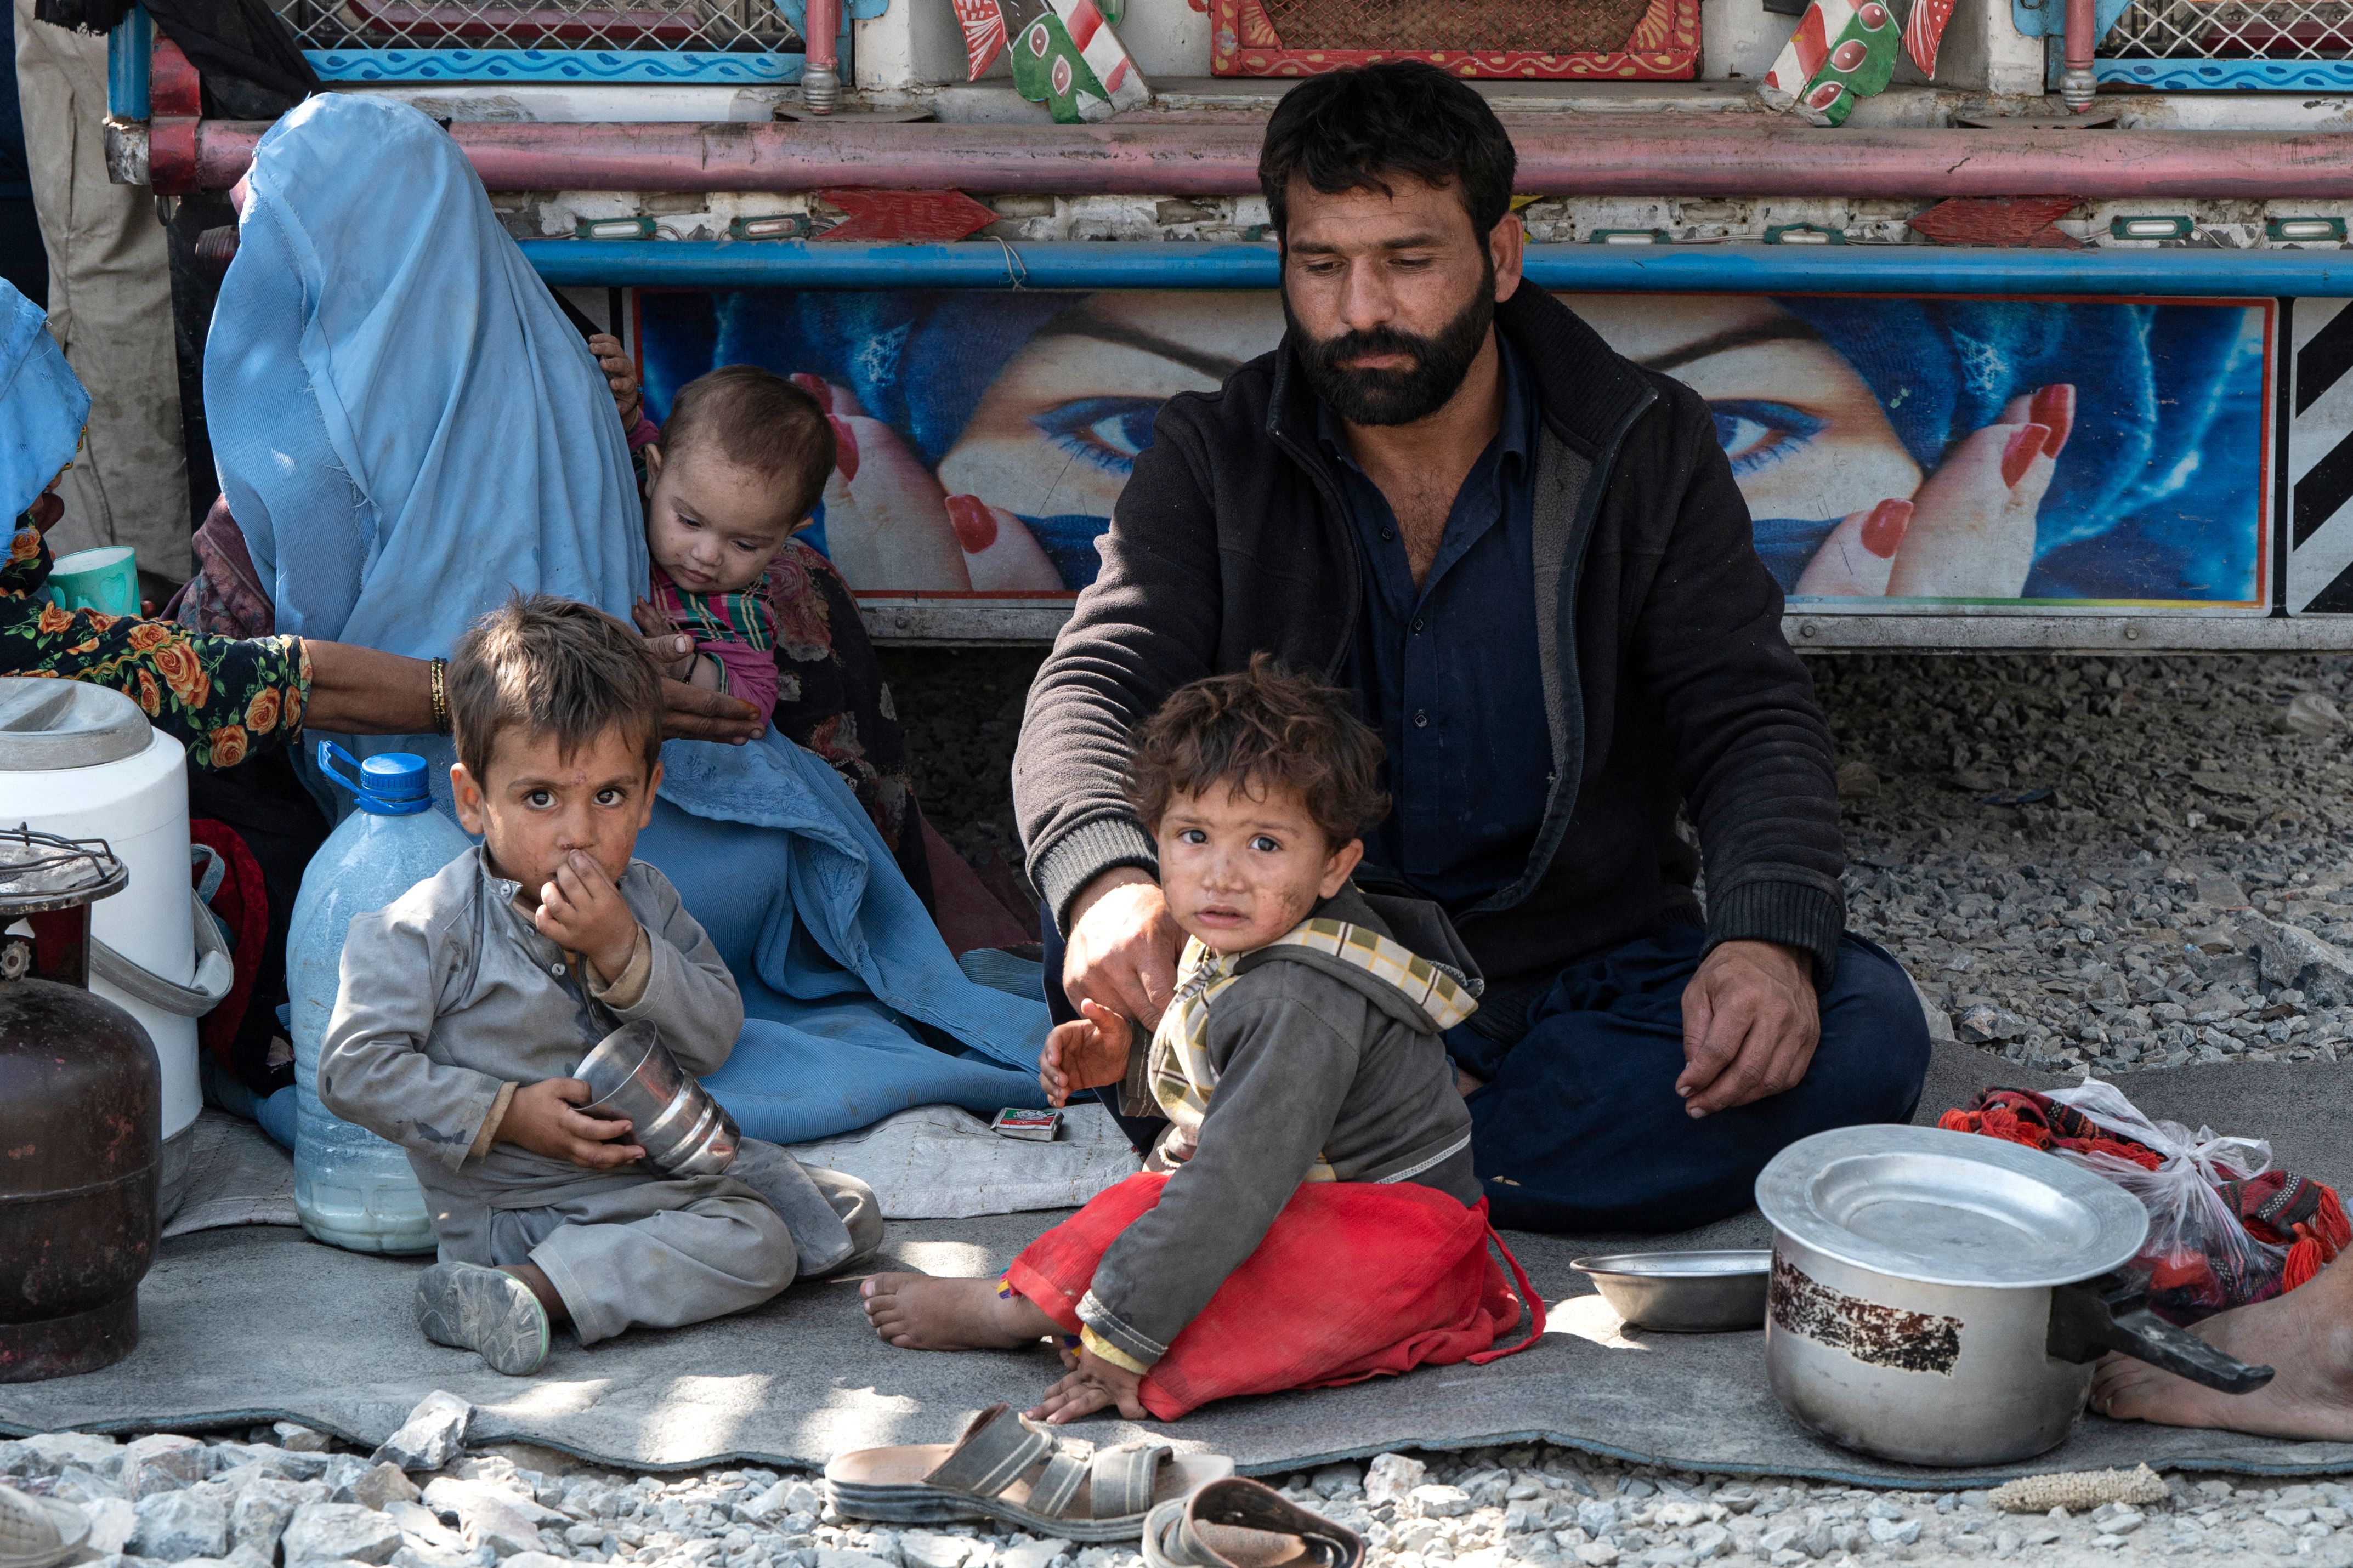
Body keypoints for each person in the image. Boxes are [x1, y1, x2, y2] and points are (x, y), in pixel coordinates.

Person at [1013, 60, 1931, 1234]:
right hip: (1301, 967)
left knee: (1859, 1021)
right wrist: (1103, 881)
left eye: (1408, 260)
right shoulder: (1216, 453)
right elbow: (1095, 681)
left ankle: (1330, 1152)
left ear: (1498, 258)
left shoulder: (1642, 443)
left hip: (1576, 964)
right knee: (1126, 954)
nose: (1361, 311)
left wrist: (1760, 938)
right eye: (1321, 264)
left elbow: (1745, 711)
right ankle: (1401, 1137)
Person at [861, 660, 1533, 1422]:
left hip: (1392, 1248)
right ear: (1153, 839)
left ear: (1334, 866)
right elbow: (1230, 1091)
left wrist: (1122, 1345)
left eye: (1264, 846)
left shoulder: (1299, 997)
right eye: (1193, 836)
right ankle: (1043, 1306)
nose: (1222, 876)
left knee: (1158, 1250)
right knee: (1142, 1216)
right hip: (1312, 1207)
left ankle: (1035, 1314)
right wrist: (1128, 1064)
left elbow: (1229, 1186)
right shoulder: (1234, 938)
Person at [320, 596, 880, 1376]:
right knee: (762, 1247)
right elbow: (353, 1070)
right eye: (540, 798)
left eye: (608, 796)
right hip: (517, 1209)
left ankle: (631, 1258)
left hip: (651, 1171)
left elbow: (714, 1036)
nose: (578, 832)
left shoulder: (644, 900)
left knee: (847, 1214)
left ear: (649, 795)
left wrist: (624, 951)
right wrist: (506, 1113)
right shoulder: (426, 930)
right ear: (473, 800)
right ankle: (527, 1289)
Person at [630, 366, 836, 732]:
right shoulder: (644, 476)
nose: (707, 556)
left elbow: (754, 704)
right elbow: (625, 441)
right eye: (690, 522)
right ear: (654, 473)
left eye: (744, 544)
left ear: (787, 534)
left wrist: (684, 667)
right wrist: (626, 410)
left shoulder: (740, 609)